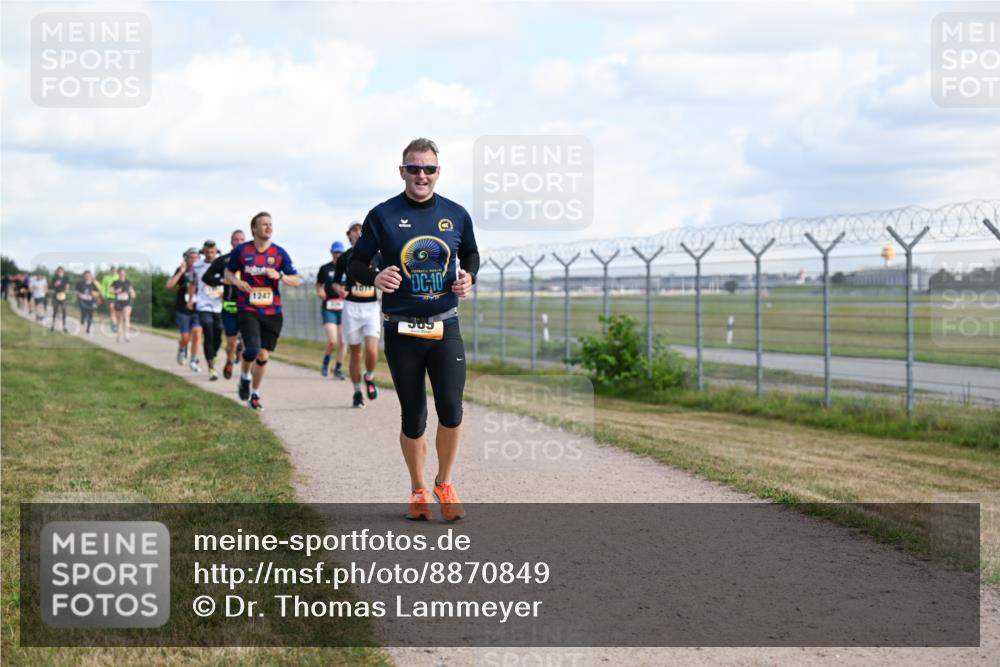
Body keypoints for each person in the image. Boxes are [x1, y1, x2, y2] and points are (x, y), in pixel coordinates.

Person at [349, 137, 479, 522]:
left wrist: (469, 275)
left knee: (452, 409)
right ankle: (418, 487)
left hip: (445, 325)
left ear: (439, 172)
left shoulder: (456, 214)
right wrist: (376, 275)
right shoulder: (383, 215)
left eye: (429, 168)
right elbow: (355, 264)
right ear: (402, 170)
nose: (421, 175)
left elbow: (470, 252)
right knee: (414, 416)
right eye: (414, 168)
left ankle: (445, 481)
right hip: (401, 328)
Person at [224, 211, 301, 410]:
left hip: (273, 311)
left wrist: (280, 275)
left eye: (270, 224)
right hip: (248, 308)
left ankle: (255, 394)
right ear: (254, 229)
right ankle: (244, 376)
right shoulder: (242, 251)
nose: (268, 227)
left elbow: (296, 280)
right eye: (264, 224)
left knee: (264, 356)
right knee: (252, 349)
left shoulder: (279, 253)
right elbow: (228, 272)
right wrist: (238, 282)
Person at [338, 222, 382, 408]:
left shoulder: (378, 255)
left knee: (372, 350)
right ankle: (357, 392)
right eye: (355, 230)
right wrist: (338, 289)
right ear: (349, 235)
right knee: (355, 353)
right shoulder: (345, 257)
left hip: (371, 307)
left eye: (361, 229)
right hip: (351, 308)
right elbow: (335, 282)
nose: (358, 232)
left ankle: (369, 376)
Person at [202, 229, 246, 379]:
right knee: (231, 343)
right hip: (229, 305)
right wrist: (222, 281)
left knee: (249, 340)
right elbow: (206, 277)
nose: (239, 242)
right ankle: (229, 360)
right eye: (236, 240)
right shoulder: (224, 260)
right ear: (231, 242)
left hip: (248, 305)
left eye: (241, 240)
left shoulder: (253, 259)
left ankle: (246, 375)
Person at [192, 240, 224, 380]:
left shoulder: (222, 264)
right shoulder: (197, 265)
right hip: (203, 303)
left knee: (218, 333)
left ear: (216, 252)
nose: (210, 255)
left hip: (218, 304)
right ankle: (211, 368)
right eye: (207, 252)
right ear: (203, 252)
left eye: (213, 252)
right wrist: (190, 299)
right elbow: (193, 282)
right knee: (208, 332)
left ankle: (214, 354)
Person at [166, 249, 203, 371]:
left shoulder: (202, 271)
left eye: (196, 258)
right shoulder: (181, 271)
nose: (194, 260)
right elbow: (170, 285)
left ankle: (193, 359)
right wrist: (180, 272)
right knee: (185, 337)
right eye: (191, 258)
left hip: (198, 308)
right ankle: (182, 348)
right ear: (186, 259)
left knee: (197, 333)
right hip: (182, 309)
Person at [316, 240, 347, 379]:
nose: (338, 255)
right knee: (332, 340)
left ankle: (338, 368)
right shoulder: (325, 268)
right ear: (331, 253)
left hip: (345, 308)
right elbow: (318, 284)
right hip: (329, 307)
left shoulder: (349, 268)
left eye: (340, 252)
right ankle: (326, 361)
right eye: (335, 252)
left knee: (343, 341)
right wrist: (320, 291)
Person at [111, 267, 136, 343]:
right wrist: (116, 291)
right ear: (118, 273)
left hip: (127, 302)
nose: (122, 274)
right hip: (118, 302)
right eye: (121, 273)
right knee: (120, 320)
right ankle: (119, 335)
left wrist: (132, 294)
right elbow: (110, 290)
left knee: (126, 316)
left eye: (123, 272)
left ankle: (126, 334)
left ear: (125, 273)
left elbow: (132, 291)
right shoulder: (115, 282)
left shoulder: (128, 282)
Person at [50, 266, 70, 332]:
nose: (60, 273)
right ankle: (53, 325)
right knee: (55, 311)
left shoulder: (66, 278)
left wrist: (67, 288)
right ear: (57, 272)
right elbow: (51, 286)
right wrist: (55, 284)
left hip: (63, 296)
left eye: (61, 271)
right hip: (56, 295)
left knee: (64, 311)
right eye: (59, 271)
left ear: (63, 272)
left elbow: (68, 285)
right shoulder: (54, 278)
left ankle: (64, 327)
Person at [100, 266, 119, 333]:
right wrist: (103, 294)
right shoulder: (106, 278)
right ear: (110, 271)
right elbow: (103, 286)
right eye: (112, 271)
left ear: (116, 271)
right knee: (112, 309)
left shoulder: (118, 277)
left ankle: (115, 322)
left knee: (117, 312)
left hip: (118, 297)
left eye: (115, 271)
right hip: (109, 296)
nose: (113, 272)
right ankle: (114, 324)